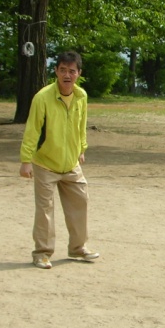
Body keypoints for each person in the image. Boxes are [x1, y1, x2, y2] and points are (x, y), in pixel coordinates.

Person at [19, 52, 98, 269]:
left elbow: (81, 125)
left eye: (72, 71)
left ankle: (78, 247)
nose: (67, 75)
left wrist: (81, 149)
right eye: (62, 70)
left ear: (79, 73)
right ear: (56, 71)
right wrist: (26, 160)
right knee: (45, 210)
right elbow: (32, 130)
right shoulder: (42, 97)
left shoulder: (81, 96)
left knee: (81, 201)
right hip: (45, 163)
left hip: (71, 163)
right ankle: (42, 253)